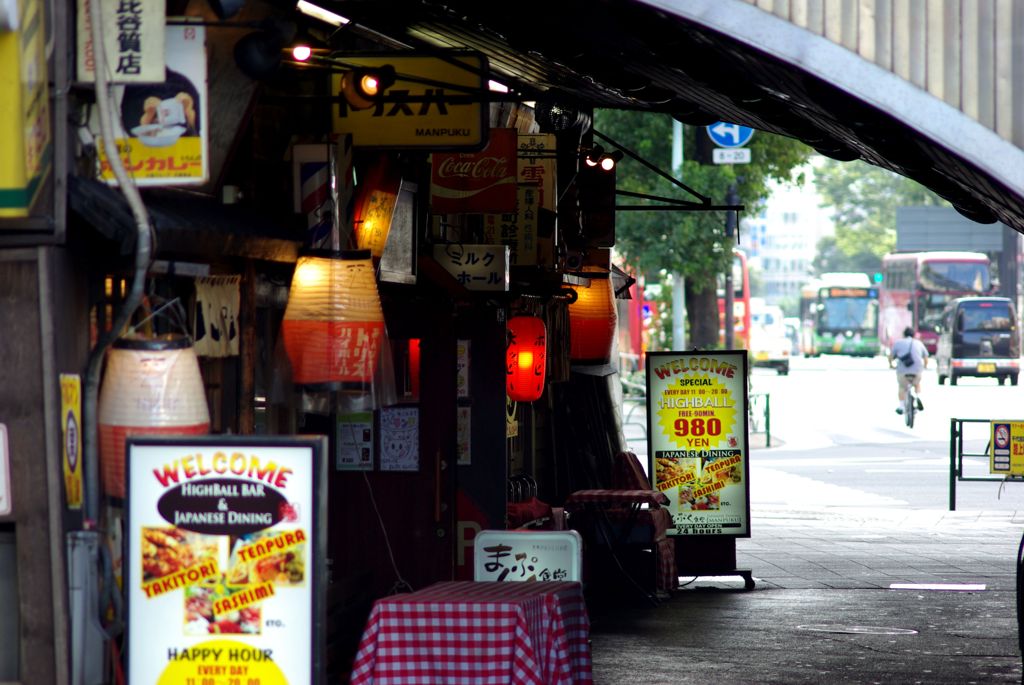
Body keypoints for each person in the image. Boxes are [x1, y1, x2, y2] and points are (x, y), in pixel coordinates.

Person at [889, 326, 928, 414]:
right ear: (914, 335)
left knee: (902, 387)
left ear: (904, 335)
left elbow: (891, 356)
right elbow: (925, 357)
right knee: (917, 384)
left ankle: (901, 406)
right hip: (917, 370)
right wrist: (924, 366)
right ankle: (918, 397)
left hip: (902, 371)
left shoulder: (898, 343)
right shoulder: (919, 343)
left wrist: (891, 365)